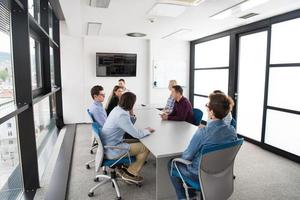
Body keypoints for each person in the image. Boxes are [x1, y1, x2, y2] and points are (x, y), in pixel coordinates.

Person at [168, 92, 237, 199]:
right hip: (221, 171)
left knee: (171, 162)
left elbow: (187, 156)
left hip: (198, 174)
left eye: (208, 106)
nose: (206, 108)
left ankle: (184, 197)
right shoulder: (232, 131)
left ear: (212, 112)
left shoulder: (203, 132)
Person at [101, 92, 155, 183]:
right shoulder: (122, 115)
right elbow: (137, 134)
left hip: (109, 144)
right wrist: (148, 130)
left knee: (137, 141)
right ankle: (131, 173)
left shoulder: (117, 109)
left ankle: (126, 167)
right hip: (112, 149)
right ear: (131, 103)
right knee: (145, 147)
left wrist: (131, 112)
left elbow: (130, 125)